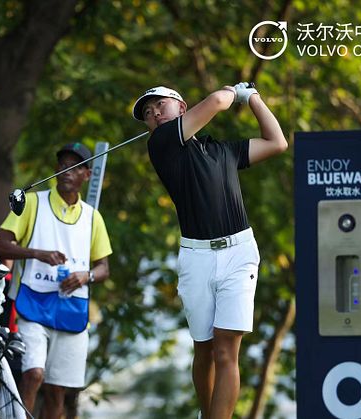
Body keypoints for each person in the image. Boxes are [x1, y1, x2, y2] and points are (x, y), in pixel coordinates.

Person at [131, 83, 287, 419]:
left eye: (160, 105)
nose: (154, 113)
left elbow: (277, 142)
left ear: (183, 107)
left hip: (239, 253)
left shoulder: (224, 152)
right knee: (204, 349)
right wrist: (233, 92)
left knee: (226, 349)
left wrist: (253, 98)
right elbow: (217, 100)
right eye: (147, 112)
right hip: (196, 257)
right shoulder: (161, 143)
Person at [0, 143, 113, 419]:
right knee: (34, 374)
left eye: (76, 166)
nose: (67, 170)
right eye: (63, 164)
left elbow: (104, 267)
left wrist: (86, 276)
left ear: (87, 175)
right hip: (32, 304)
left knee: (58, 390)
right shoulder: (33, 202)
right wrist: (37, 253)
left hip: (71, 310)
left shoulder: (93, 217)